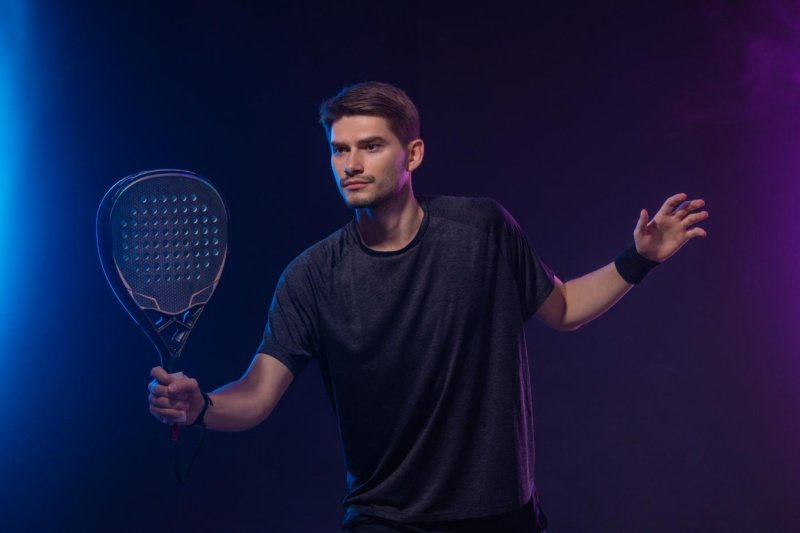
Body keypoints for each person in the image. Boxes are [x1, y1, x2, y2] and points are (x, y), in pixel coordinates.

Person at [148, 81, 708, 532]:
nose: (351, 163)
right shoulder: (312, 275)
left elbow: (562, 309)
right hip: (386, 521)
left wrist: (638, 260)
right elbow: (258, 394)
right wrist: (203, 407)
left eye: (371, 146)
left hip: (504, 517)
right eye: (339, 149)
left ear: (412, 152)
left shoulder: (482, 229)